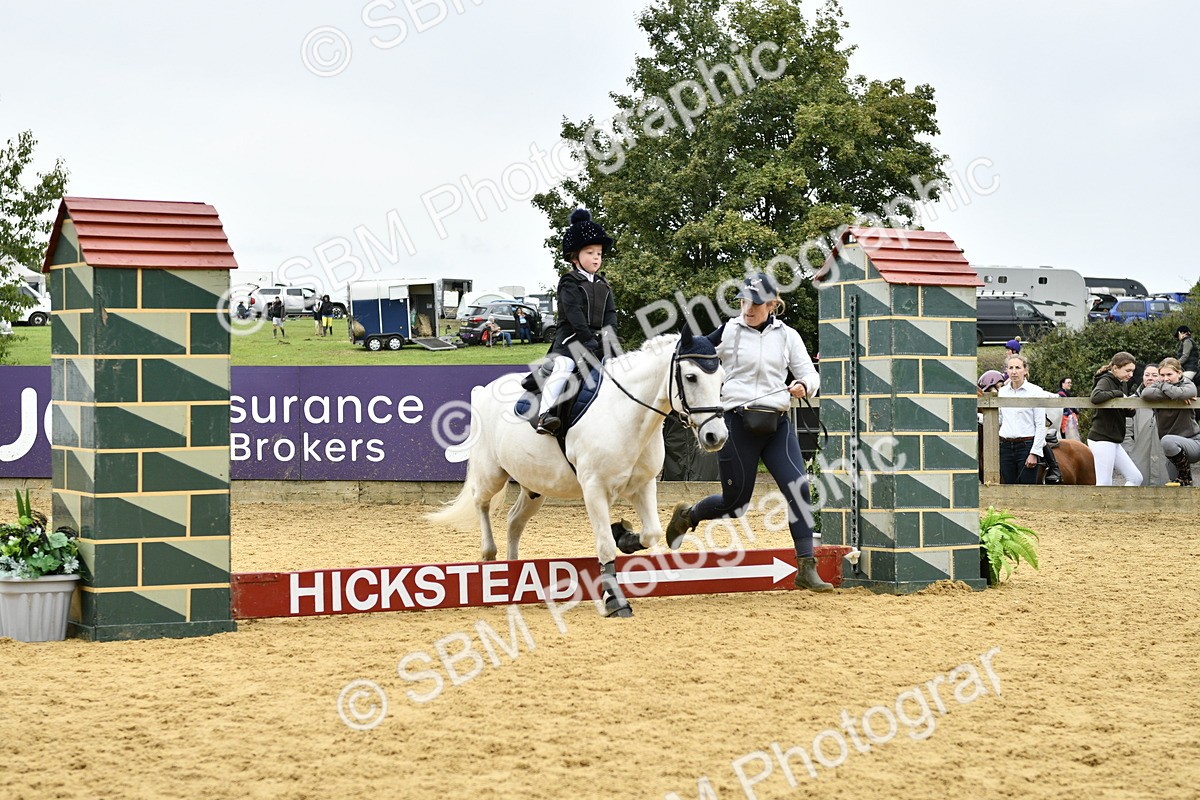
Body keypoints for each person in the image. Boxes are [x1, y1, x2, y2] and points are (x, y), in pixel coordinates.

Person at [664, 272, 830, 593]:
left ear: (771, 304)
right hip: (737, 424)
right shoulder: (729, 330)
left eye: (755, 303)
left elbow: (809, 372)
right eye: (743, 301)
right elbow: (700, 347)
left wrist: (803, 385)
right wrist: (678, 345)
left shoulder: (788, 336)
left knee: (800, 490)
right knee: (736, 503)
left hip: (776, 426)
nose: (747, 308)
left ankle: (806, 567)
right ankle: (689, 514)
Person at [536, 209, 618, 435]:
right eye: (590, 252)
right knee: (564, 367)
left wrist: (611, 341)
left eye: (599, 253)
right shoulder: (569, 281)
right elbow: (575, 316)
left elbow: (611, 316)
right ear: (575, 257)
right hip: (570, 340)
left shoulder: (604, 285)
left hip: (598, 342)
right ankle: (545, 414)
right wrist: (588, 340)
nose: (596, 258)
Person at [1142, 357, 1200, 487]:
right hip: (1172, 451)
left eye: (1169, 374)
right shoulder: (1160, 384)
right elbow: (1146, 394)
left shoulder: (1188, 384)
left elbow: (1188, 392)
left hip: (1193, 443)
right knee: (1179, 488)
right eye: (1162, 375)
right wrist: (1176, 394)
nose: (1165, 378)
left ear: (1179, 373)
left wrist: (1164, 388)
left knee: (1167, 440)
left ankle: (1186, 477)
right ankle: (1186, 484)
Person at [1087, 352, 1141, 486]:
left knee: (1136, 478)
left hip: (1113, 439)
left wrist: (1129, 408)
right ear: (1115, 368)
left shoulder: (1121, 382)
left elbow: (1118, 409)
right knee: (1104, 483)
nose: (1131, 375)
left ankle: (1120, 505)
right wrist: (1119, 394)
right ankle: (1103, 507)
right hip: (1102, 438)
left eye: (1132, 371)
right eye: (1127, 370)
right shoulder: (1106, 380)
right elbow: (1095, 397)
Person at [996, 355, 1048, 485]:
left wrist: (1034, 452)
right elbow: (1000, 418)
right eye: (1010, 368)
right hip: (1005, 446)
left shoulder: (1036, 392)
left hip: (1025, 445)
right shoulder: (1002, 392)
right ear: (1007, 371)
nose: (1014, 371)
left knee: (1027, 488)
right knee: (1008, 486)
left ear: (1025, 370)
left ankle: (1053, 468)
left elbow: (1041, 424)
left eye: (1018, 367)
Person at [1121, 364, 1168, 486]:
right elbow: (1124, 432)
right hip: (1139, 459)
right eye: (1147, 375)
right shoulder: (1132, 402)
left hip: (1165, 459)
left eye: (1154, 375)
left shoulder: (1172, 402)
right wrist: (1131, 454)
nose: (1150, 378)